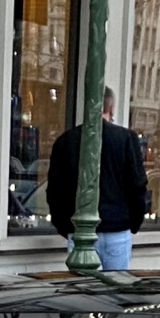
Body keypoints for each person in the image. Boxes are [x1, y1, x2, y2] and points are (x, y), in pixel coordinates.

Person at [44, 88, 150, 271]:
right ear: (111, 108)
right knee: (115, 293)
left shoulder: (66, 141)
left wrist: (65, 226)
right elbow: (137, 186)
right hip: (117, 228)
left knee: (83, 294)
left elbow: (55, 192)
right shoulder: (126, 139)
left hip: (80, 231)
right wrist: (133, 222)